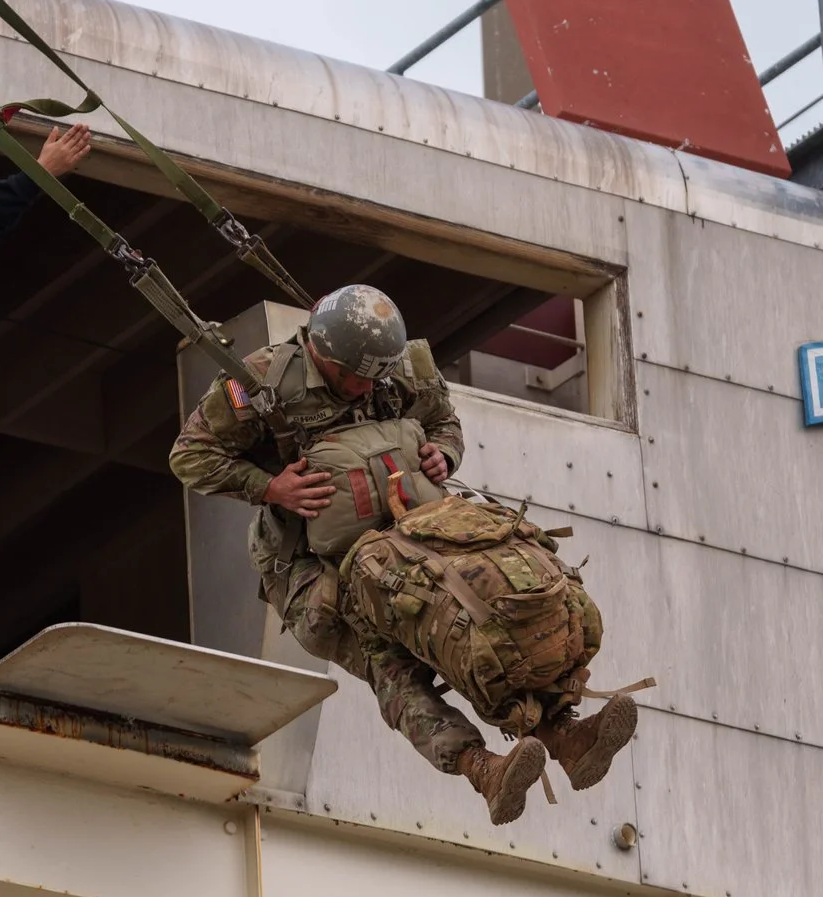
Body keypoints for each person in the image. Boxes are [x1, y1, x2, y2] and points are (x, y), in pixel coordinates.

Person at [170, 283, 637, 826]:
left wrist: (444, 455)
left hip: (413, 531)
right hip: (313, 563)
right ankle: (479, 766)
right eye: (357, 377)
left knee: (474, 617)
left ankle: (563, 734)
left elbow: (443, 422)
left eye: (376, 376)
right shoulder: (263, 382)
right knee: (389, 663)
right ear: (324, 355)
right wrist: (271, 488)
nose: (368, 386)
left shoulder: (399, 368)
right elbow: (191, 455)